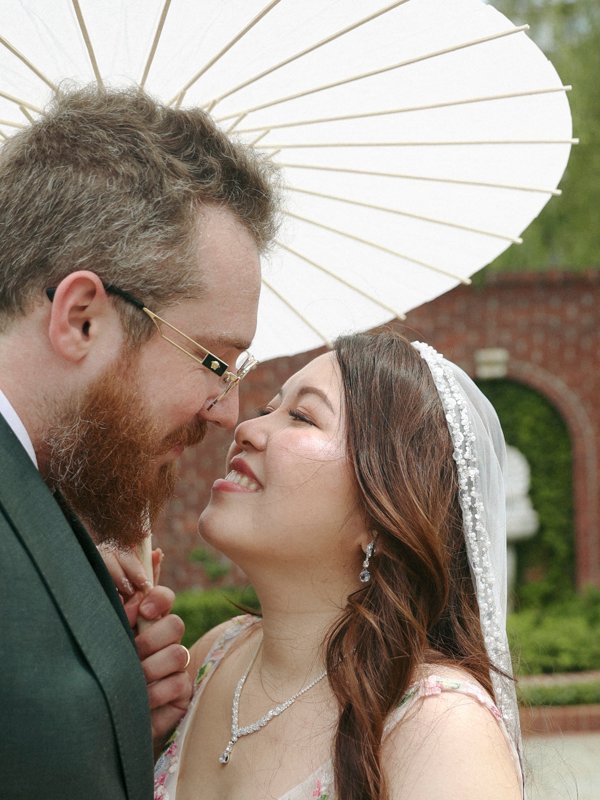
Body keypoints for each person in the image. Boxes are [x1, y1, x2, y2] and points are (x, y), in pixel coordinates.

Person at [0, 86, 278, 799]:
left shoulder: (50, 511)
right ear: (83, 318)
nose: (229, 413)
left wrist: (115, 711)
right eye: (215, 361)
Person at [154, 331, 525, 800]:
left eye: (302, 417)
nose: (246, 428)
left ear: (384, 511)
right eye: (269, 409)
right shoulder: (210, 657)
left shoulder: (439, 729)